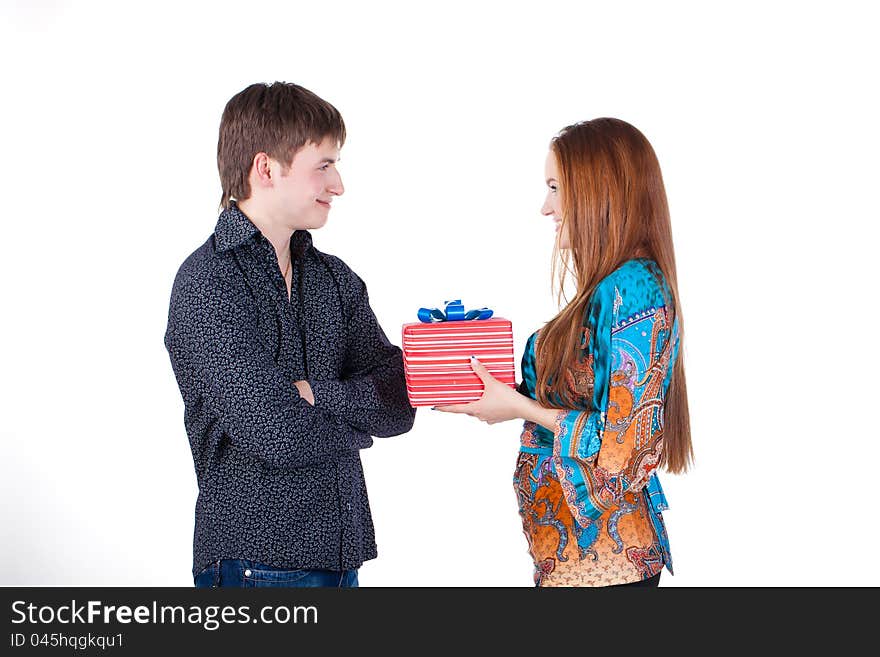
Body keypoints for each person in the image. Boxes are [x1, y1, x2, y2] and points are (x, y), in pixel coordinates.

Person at [164, 82, 416, 588]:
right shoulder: (208, 282)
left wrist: (320, 394)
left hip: (342, 558)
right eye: (323, 165)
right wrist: (355, 426)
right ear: (266, 169)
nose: (339, 183)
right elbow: (275, 432)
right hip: (255, 563)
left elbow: (399, 402)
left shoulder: (334, 279)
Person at [436, 118, 691, 587]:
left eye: (556, 188)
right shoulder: (610, 287)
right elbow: (581, 405)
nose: (546, 207)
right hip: (577, 565)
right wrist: (488, 388)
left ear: (600, 192)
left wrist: (519, 407)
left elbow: (625, 446)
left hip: (606, 568)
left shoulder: (633, 288)